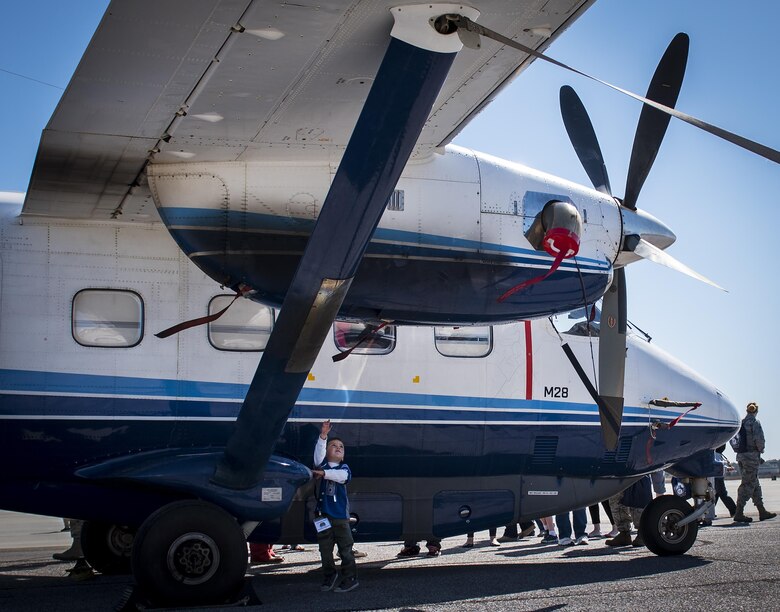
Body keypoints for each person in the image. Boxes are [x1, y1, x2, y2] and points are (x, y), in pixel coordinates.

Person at [313, 420, 358, 592]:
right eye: (333, 445)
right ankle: (329, 575)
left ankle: (350, 577)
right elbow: (318, 456)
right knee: (325, 549)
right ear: (326, 451)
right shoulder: (321, 465)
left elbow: (341, 476)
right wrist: (323, 436)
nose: (338, 447)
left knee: (345, 549)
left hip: (340, 517)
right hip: (322, 516)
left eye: (341, 446)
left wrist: (323, 474)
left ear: (344, 455)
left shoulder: (344, 469)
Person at [734, 402, 776, 523]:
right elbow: (759, 440)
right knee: (748, 484)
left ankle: (762, 511)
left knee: (754, 484)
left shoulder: (741, 423)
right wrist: (760, 450)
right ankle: (739, 512)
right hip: (751, 458)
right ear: (756, 411)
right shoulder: (755, 423)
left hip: (741, 457)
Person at [606, 476, 651, 548]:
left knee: (638, 500)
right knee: (616, 500)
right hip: (617, 473)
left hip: (638, 471)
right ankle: (624, 534)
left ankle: (642, 534)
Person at [714, 444, 737, 517]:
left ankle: (709, 512)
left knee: (716, 495)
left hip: (716, 477)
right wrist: (728, 468)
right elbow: (718, 466)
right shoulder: (717, 455)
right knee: (723, 495)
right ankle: (734, 511)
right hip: (718, 478)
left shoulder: (717, 454)